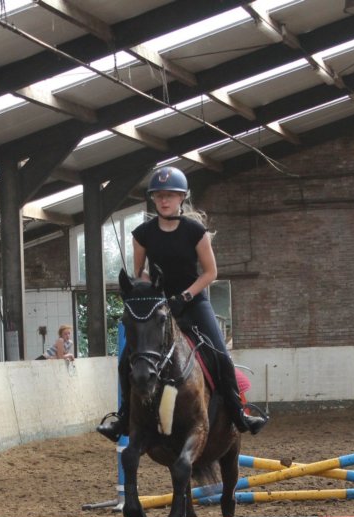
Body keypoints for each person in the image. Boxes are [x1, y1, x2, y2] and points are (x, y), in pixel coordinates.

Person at [96, 166, 268, 442]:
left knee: (221, 355)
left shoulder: (195, 231)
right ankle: (123, 418)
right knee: (127, 359)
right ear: (153, 199)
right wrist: (150, 291)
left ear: (181, 197)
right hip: (159, 306)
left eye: (170, 195)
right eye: (159, 195)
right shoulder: (142, 234)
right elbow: (140, 272)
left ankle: (239, 413)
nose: (164, 200)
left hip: (193, 302)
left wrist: (184, 297)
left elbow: (210, 272)